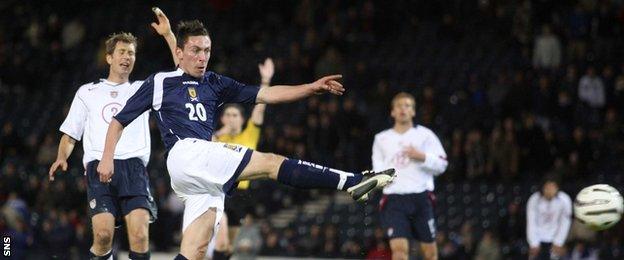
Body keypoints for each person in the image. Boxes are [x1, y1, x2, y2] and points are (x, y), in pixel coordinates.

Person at [97, 20, 395, 260]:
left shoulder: (215, 83)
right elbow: (118, 120)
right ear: (179, 52)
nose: (202, 57)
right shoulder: (160, 82)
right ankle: (352, 181)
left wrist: (309, 87)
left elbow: (266, 94)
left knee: (196, 250)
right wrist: (107, 157)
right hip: (186, 154)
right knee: (270, 162)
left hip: (202, 174)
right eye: (196, 51)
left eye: (207, 50)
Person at [48, 8, 177, 260]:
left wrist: (169, 35)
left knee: (139, 237)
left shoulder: (143, 89)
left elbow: (180, 74)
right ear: (109, 58)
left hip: (134, 168)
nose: (127, 57)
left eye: (131, 53)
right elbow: (70, 134)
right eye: (121, 52)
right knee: (104, 236)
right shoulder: (87, 91)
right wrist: (61, 156)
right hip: (99, 168)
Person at [210, 58, 274, 260]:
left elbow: (261, 106)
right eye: (227, 114)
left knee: (228, 247)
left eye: (234, 115)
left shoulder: (250, 133)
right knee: (220, 241)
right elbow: (203, 148)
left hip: (242, 195)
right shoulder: (216, 137)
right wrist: (222, 132)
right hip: (220, 192)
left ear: (242, 119)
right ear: (222, 118)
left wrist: (265, 81)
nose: (231, 118)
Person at [372, 92, 448, 260]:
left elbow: (443, 165)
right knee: (399, 251)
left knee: (430, 253)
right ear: (392, 111)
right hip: (394, 199)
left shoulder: (426, 135)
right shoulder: (381, 139)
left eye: (407, 105)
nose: (403, 109)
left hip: (421, 197)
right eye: (399, 106)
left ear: (413, 111)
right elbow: (378, 172)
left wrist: (422, 157)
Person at [526, 175, 572, 260]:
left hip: (555, 238)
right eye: (547, 187)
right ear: (543, 188)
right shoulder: (534, 199)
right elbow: (531, 222)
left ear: (557, 188)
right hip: (538, 238)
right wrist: (533, 243)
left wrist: (558, 242)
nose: (550, 191)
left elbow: (565, 222)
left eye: (553, 187)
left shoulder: (564, 200)